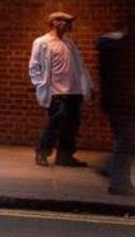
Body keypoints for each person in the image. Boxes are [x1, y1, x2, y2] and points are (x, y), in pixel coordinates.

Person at [30, 10, 92, 166]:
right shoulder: (42, 42)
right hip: (57, 92)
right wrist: (39, 84)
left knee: (71, 126)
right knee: (54, 125)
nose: (69, 25)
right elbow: (34, 66)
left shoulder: (69, 43)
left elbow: (80, 66)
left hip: (74, 91)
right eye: (66, 22)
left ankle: (65, 157)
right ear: (55, 23)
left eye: (69, 22)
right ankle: (42, 153)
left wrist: (88, 85)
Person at [98, 9, 133, 196]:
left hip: (116, 101)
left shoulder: (110, 45)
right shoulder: (120, 47)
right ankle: (119, 183)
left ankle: (109, 167)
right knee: (125, 140)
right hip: (123, 103)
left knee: (126, 140)